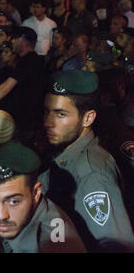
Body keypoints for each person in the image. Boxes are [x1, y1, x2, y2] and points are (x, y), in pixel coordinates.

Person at [40, 70, 134, 252]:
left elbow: (116, 246)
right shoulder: (67, 157)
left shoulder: (91, 173)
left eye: (61, 114)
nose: (48, 122)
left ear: (88, 118)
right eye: (47, 111)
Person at [0, 141, 86, 253]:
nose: (0, 215)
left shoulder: (53, 244)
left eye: (13, 202)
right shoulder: (11, 222)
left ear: (36, 193)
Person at [0, 26, 45, 144]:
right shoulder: (31, 61)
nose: (12, 41)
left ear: (25, 41)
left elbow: (5, 89)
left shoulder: (29, 60)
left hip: (23, 123)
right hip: (24, 121)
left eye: (16, 38)